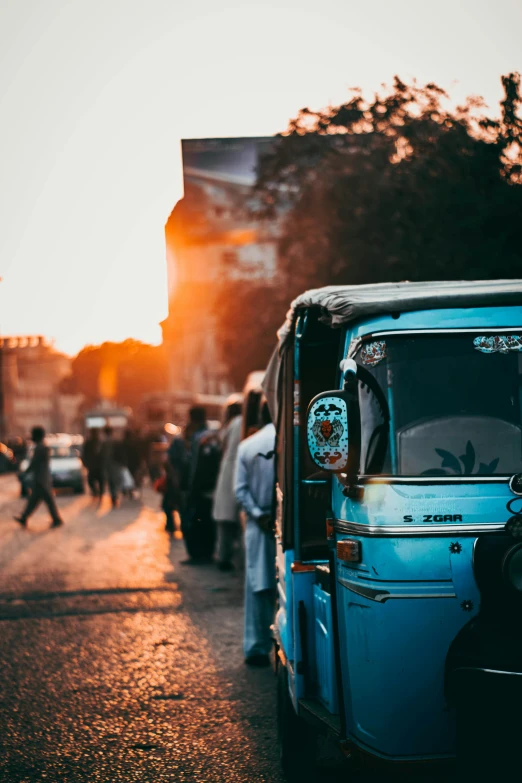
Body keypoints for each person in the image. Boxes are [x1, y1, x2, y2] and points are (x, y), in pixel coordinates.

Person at [235, 401, 276, 667]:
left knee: (258, 587)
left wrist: (259, 515)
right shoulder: (289, 442)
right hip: (286, 526)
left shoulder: (248, 446)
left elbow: (240, 491)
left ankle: (257, 647)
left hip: (259, 527)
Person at [181, 406, 219, 564]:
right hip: (212, 487)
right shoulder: (212, 435)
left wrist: (192, 490)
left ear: (191, 419)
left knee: (195, 522)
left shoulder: (199, 438)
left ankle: (197, 555)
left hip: (199, 489)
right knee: (207, 522)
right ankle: (207, 553)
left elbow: (195, 467)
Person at [212, 396, 243, 571]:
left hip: (229, 470)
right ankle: (225, 556)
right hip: (232, 469)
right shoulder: (239, 422)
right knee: (229, 516)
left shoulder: (232, 424)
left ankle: (223, 555)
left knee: (226, 517)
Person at [14, 426, 64, 529]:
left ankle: (56, 519)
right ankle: (24, 517)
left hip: (41, 480)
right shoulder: (42, 447)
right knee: (35, 500)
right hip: (42, 480)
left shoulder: (40, 448)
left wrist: (23, 473)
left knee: (43, 500)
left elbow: (34, 464)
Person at [100, 426, 125, 508]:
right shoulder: (116, 441)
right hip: (115, 464)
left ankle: (113, 496)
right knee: (115, 480)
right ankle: (115, 495)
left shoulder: (103, 443)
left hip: (108, 465)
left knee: (111, 481)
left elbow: (101, 455)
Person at [82, 428, 103, 498]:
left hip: (97, 466)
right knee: (92, 480)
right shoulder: (89, 443)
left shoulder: (99, 443)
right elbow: (84, 454)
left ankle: (98, 492)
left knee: (99, 480)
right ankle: (96, 491)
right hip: (93, 466)